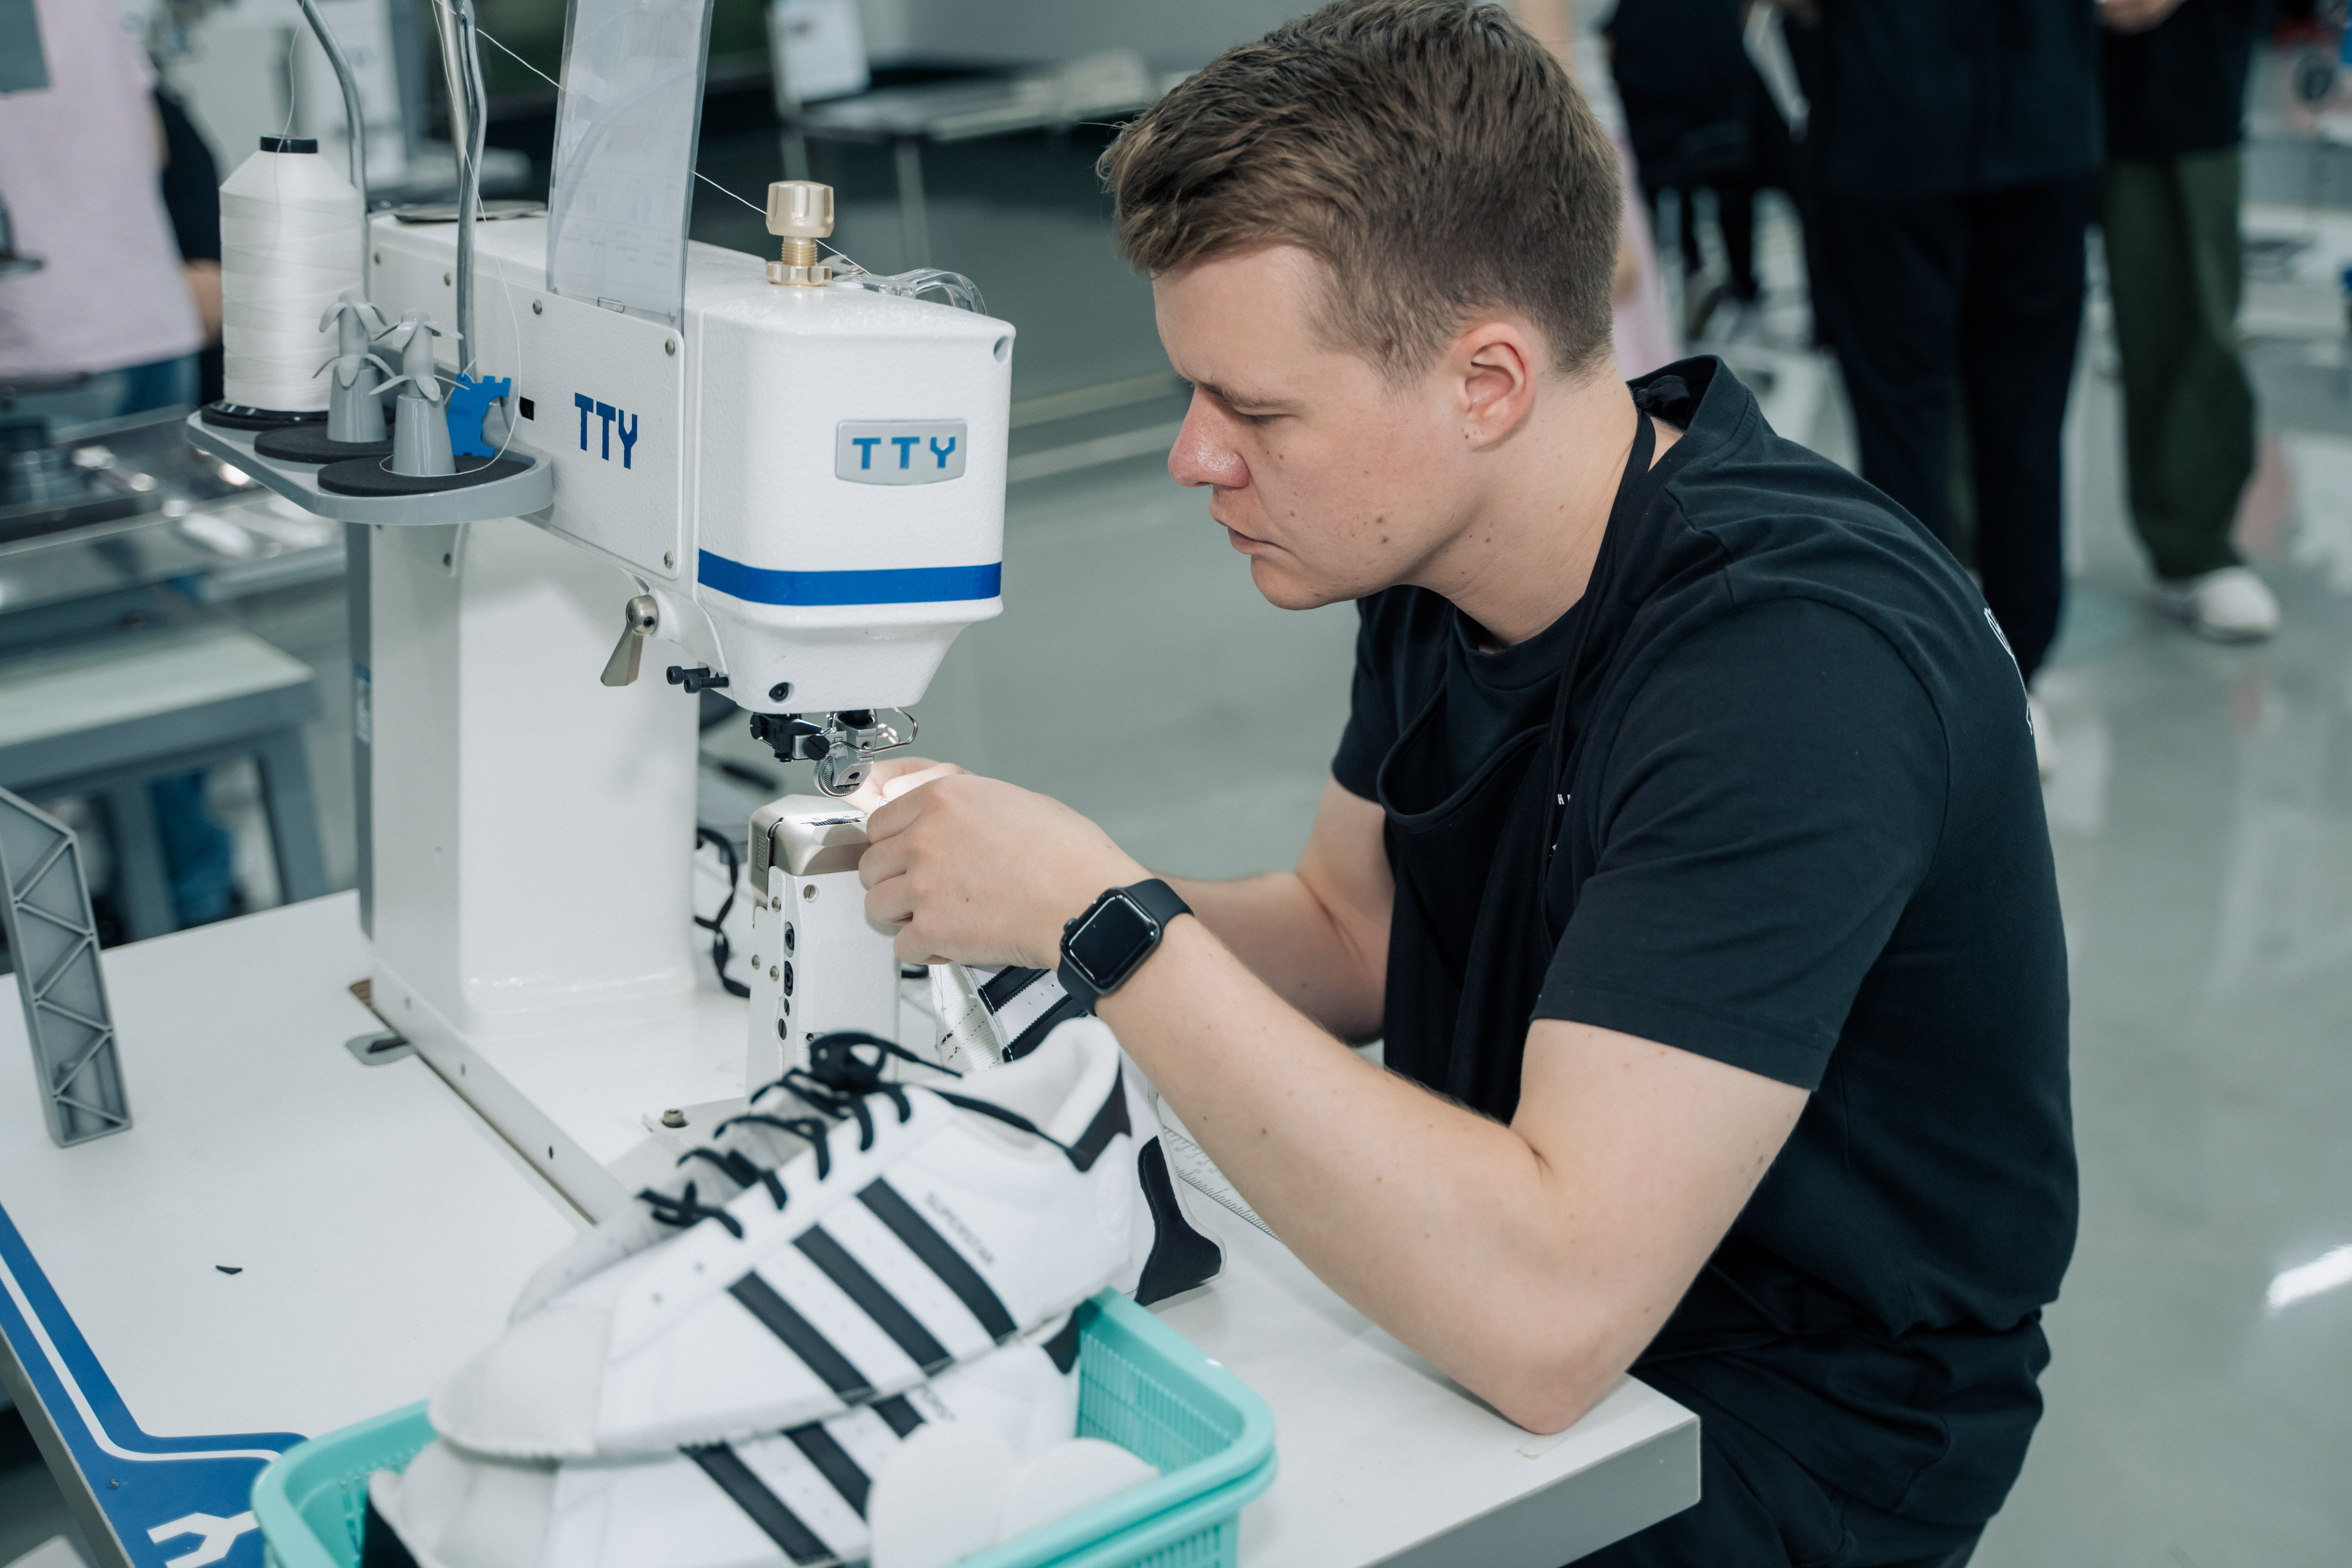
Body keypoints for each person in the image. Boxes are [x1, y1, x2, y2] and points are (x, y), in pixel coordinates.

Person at [853, 4, 2076, 1563]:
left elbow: (1550, 1310)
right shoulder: (1435, 553)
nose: (1192, 458)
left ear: (1485, 378)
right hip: (1539, 1266)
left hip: (1775, 1420)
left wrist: (1104, 924)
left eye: (1255, 409)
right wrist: (1001, 897)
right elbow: (1348, 932)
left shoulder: (1794, 668)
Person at [1785, 0, 2100, 725]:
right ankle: (2000, 676)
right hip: (1987, 110)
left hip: (1914, 105)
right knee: (1999, 413)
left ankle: (1953, 676)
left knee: (1922, 416)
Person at [2100, 0, 2277, 641]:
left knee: (2187, 313)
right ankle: (1960, 550)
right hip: (1996, 70)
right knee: (1978, 322)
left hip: (2180, 74)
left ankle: (2194, 546)